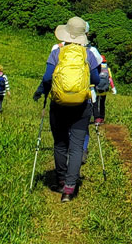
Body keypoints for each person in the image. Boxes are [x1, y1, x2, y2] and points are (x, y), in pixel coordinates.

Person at [32, 16, 101, 203]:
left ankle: (61, 180)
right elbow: (96, 80)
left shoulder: (57, 52)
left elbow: (47, 78)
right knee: (77, 146)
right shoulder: (89, 54)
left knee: (60, 143)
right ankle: (70, 189)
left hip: (58, 105)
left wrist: (43, 92)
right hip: (81, 106)